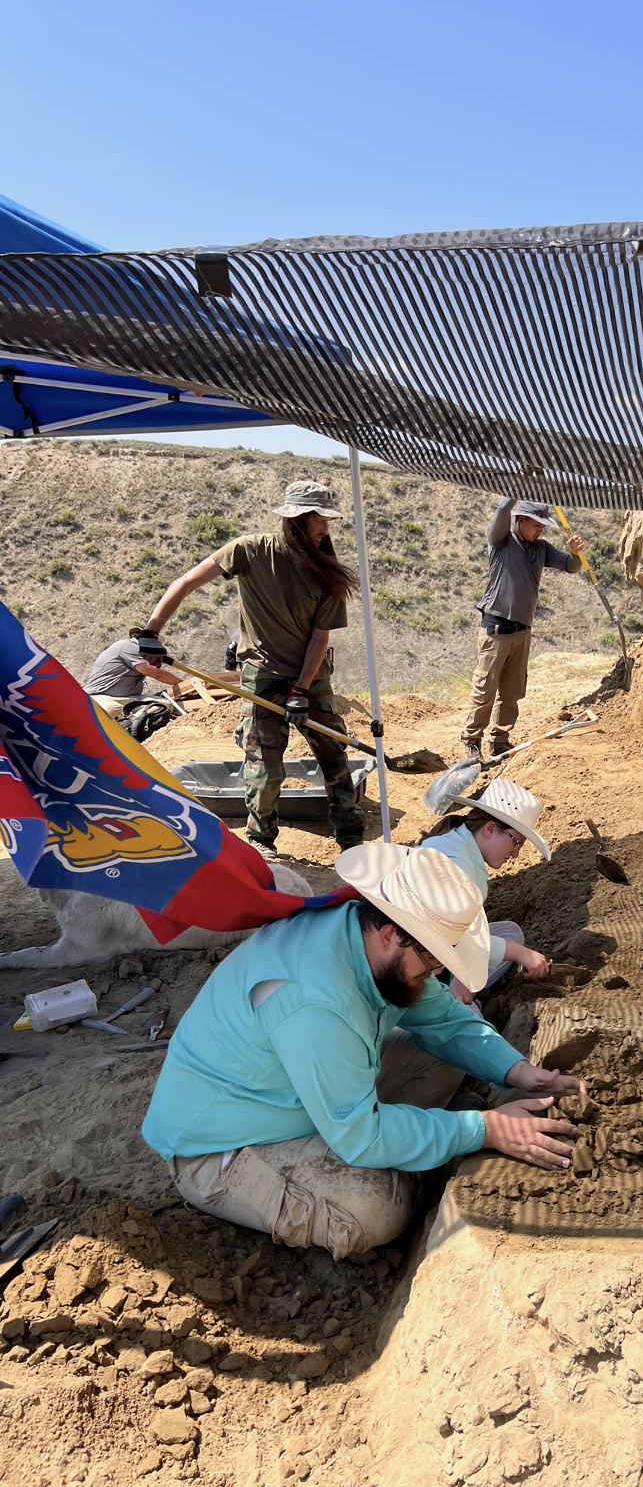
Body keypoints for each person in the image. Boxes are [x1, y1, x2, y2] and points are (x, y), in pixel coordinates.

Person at [141, 844, 583, 1257]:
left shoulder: (365, 939)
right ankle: (414, 1170)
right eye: (432, 960)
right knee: (375, 1212)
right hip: (225, 1143)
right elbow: (360, 1135)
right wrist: (483, 1130)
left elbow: (445, 1021)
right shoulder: (315, 997)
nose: (435, 972)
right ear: (392, 933)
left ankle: (413, 1146)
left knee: (440, 1056)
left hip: (306, 1092)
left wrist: (517, 1070)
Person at [133, 480, 365, 860]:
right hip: (261, 676)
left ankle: (352, 839)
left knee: (334, 756)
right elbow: (187, 581)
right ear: (297, 520)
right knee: (263, 765)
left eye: (328, 520)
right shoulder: (249, 550)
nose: (326, 528)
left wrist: (301, 692)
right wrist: (151, 632)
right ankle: (261, 840)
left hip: (312, 679)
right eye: (319, 519)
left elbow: (318, 640)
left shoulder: (329, 575)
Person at [462, 499, 584, 763]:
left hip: (522, 630)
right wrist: (517, 487)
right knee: (485, 688)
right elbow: (502, 510)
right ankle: (472, 741)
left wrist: (575, 553)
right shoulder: (501, 541)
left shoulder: (541, 548)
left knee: (512, 691)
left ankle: (500, 740)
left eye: (544, 525)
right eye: (536, 524)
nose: (540, 530)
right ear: (521, 520)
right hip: (496, 629)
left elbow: (571, 567)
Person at [418, 779, 553, 1009]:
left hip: (440, 952)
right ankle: (453, 1001)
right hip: (418, 966)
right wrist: (521, 955)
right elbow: (449, 936)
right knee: (469, 1018)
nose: (516, 854)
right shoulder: (455, 862)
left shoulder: (461, 847)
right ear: (490, 829)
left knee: (510, 933)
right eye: (516, 842)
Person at [82, 634, 184, 720]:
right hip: (100, 697)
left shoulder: (138, 653)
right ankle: (130, 729)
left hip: (126, 699)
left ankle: (135, 727)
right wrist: (186, 683)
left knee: (164, 706)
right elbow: (157, 673)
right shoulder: (129, 646)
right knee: (113, 710)